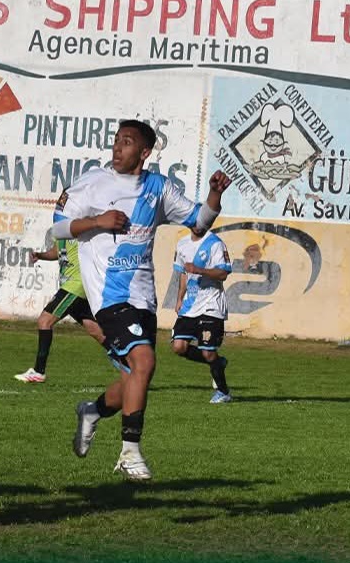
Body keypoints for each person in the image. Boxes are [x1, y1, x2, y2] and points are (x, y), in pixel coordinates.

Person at [51, 119, 231, 480]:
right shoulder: (92, 183)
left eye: (127, 142)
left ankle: (92, 411)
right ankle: (130, 452)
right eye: (116, 141)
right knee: (144, 362)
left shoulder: (158, 187)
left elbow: (200, 221)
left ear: (144, 152)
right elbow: (56, 228)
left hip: (143, 299)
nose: (118, 148)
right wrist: (98, 221)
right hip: (108, 297)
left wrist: (215, 194)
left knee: (136, 376)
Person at [14, 227, 106, 383]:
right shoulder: (62, 230)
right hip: (71, 284)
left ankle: (38, 371)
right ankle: (130, 365)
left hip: (75, 285)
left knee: (45, 320)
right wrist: (41, 255)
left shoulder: (81, 228)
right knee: (96, 331)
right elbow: (58, 251)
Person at [171, 225, 234, 404]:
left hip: (211, 305)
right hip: (190, 306)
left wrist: (200, 270)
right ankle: (218, 362)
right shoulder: (182, 244)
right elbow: (183, 274)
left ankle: (224, 392)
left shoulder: (215, 244)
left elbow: (223, 273)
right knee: (178, 347)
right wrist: (180, 298)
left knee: (207, 353)